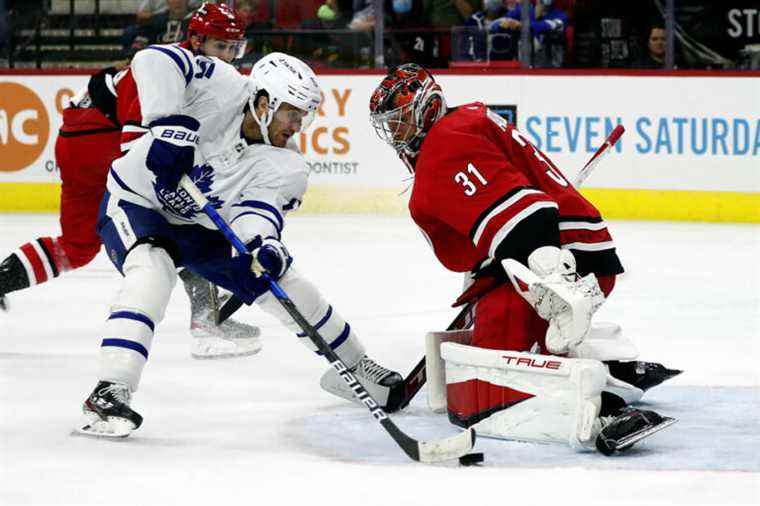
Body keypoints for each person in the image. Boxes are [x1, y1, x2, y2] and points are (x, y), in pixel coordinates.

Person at [75, 50, 403, 438]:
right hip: (137, 202)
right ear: (264, 103)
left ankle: (355, 366)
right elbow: (152, 59)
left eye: (303, 116)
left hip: (200, 227)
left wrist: (263, 244)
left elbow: (255, 212)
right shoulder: (220, 84)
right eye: (292, 113)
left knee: (283, 283)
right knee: (153, 268)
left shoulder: (286, 165)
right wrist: (167, 126)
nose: (298, 125)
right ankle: (110, 388)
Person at [368, 64, 680, 455]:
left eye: (398, 123)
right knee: (493, 352)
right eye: (389, 126)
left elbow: (529, 217)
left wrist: (558, 286)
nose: (395, 135)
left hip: (558, 267)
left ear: (426, 109)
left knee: (483, 388)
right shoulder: (466, 120)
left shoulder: (443, 147)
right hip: (574, 253)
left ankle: (601, 409)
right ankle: (611, 370)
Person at [0, 2, 259, 360]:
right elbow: (136, 142)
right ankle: (207, 320)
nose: (228, 56)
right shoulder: (168, 67)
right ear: (196, 41)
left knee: (77, 247)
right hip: (98, 141)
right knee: (184, 219)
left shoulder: (189, 66)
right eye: (221, 46)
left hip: (77, 140)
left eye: (233, 48)